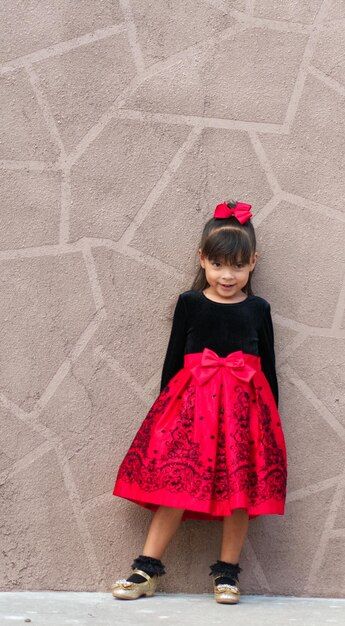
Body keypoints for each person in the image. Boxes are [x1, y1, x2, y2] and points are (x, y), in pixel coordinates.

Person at [111, 200, 287, 604]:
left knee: (239, 493)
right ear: (202, 259)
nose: (228, 275)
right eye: (219, 264)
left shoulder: (259, 309)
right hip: (191, 414)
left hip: (244, 417)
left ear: (253, 263)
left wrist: (269, 426)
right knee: (177, 485)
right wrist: (162, 418)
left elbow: (270, 368)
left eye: (238, 266)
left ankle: (227, 575)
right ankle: (145, 569)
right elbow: (172, 364)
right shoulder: (190, 303)